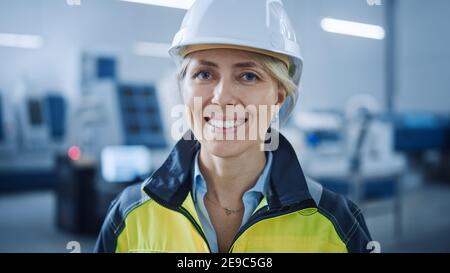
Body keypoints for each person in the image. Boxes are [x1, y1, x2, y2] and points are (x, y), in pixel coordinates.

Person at [95, 0, 372, 253]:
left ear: (278, 96)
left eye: (248, 76)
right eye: (204, 74)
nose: (222, 97)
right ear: (183, 89)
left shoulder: (336, 224)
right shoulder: (130, 216)